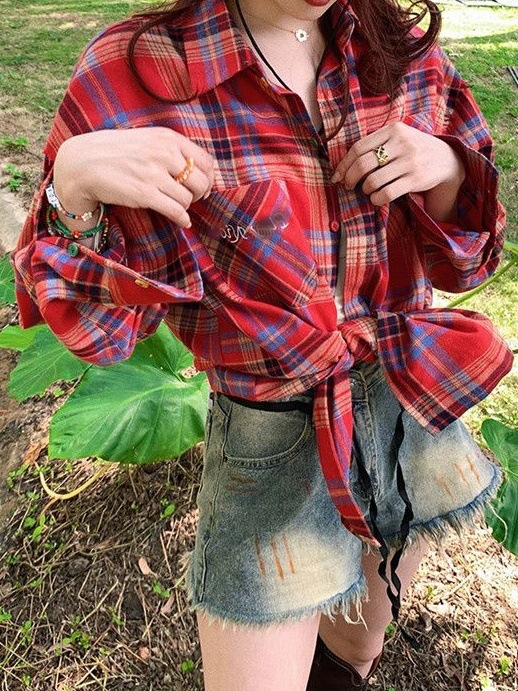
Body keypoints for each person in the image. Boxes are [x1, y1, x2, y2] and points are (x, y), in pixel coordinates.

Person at [12, 0, 513, 688]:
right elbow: (100, 336)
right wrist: (73, 192)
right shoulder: (137, 73)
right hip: (269, 443)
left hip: (406, 403)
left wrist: (448, 169)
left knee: (359, 645)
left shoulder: (402, 55)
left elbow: (470, 262)